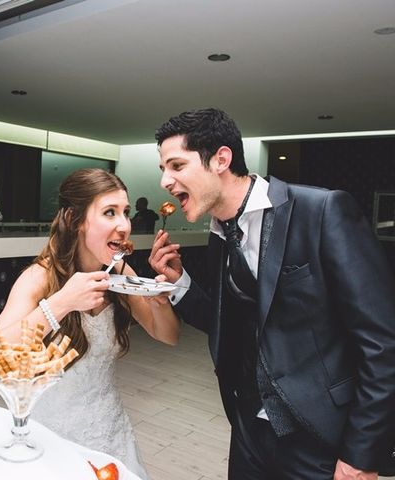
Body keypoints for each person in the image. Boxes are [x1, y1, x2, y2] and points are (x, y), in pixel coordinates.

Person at [148, 108, 395, 479]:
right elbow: (230, 323)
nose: (166, 181)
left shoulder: (322, 211)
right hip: (249, 429)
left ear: (221, 159)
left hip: (322, 438)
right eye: (163, 170)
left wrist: (361, 452)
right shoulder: (219, 234)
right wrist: (178, 282)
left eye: (176, 166)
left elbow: (382, 344)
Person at [0, 168, 180, 478]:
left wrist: (161, 302)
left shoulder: (119, 274)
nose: (124, 225)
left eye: (125, 213)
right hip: (52, 436)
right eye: (109, 213)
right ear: (76, 221)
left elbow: (167, 335)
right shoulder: (40, 277)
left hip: (110, 431)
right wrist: (61, 303)